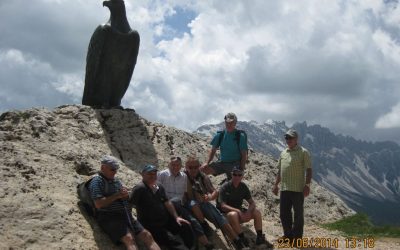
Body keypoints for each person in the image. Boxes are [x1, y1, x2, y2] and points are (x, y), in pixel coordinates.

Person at [88, 155, 160, 250]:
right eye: (112, 169)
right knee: (129, 239)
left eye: (116, 169)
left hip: (125, 214)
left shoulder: (116, 181)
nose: (115, 172)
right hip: (109, 216)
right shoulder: (97, 181)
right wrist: (117, 195)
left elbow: (125, 197)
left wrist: (125, 196)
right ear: (103, 167)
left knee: (147, 235)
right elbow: (98, 204)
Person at [185, 156, 246, 250]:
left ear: (199, 166)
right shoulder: (183, 177)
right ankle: (203, 224)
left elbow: (215, 192)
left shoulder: (202, 176)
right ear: (186, 167)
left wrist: (209, 197)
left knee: (219, 217)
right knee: (194, 203)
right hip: (189, 205)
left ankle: (237, 240)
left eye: (195, 167)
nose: (193, 169)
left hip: (203, 202)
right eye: (190, 167)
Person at [130, 164, 194, 250]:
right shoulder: (139, 189)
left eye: (154, 174)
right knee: (175, 243)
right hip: (153, 226)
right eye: (149, 174)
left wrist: (176, 217)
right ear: (142, 174)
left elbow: (167, 202)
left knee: (185, 225)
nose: (152, 176)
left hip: (165, 221)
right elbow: (130, 205)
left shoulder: (159, 186)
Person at [157, 156, 215, 250]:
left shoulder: (183, 177)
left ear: (181, 166)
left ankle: (206, 243)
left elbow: (184, 194)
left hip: (179, 205)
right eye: (173, 165)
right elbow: (156, 190)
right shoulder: (162, 174)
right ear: (169, 165)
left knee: (192, 220)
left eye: (177, 165)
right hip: (166, 204)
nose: (175, 167)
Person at [272, 129, 312, 245]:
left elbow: (309, 170)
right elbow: (280, 171)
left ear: (296, 139)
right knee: (284, 213)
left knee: (298, 214)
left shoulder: (303, 152)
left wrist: (307, 185)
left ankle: (297, 238)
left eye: (290, 138)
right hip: (284, 188)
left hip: (298, 189)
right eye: (287, 138)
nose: (288, 140)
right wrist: (275, 185)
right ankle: (288, 236)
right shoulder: (283, 153)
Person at [218, 167, 274, 248]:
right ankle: (242, 238)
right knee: (233, 214)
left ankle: (259, 237)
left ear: (242, 176)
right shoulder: (225, 187)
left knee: (256, 212)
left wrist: (248, 211)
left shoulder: (243, 186)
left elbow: (252, 203)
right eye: (235, 174)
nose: (237, 177)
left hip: (239, 214)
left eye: (239, 175)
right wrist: (238, 211)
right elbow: (222, 206)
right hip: (226, 215)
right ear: (231, 174)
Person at [200, 112, 248, 180]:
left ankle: (229, 179)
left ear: (235, 123)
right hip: (222, 163)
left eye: (231, 123)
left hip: (234, 164)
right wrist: (207, 163)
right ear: (225, 122)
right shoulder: (220, 135)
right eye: (227, 123)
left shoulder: (240, 136)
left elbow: (244, 155)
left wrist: (242, 170)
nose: (229, 125)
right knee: (201, 171)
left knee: (234, 182)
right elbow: (213, 150)